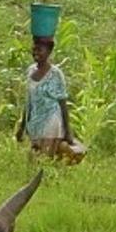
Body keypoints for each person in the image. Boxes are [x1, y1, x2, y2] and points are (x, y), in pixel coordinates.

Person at [17, 36, 86, 164]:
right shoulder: (30, 71)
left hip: (51, 124)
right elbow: (29, 101)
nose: (36, 52)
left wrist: (68, 131)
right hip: (35, 125)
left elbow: (62, 104)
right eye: (34, 49)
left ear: (49, 52)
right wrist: (22, 126)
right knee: (33, 162)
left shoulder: (55, 74)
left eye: (40, 50)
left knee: (43, 163)